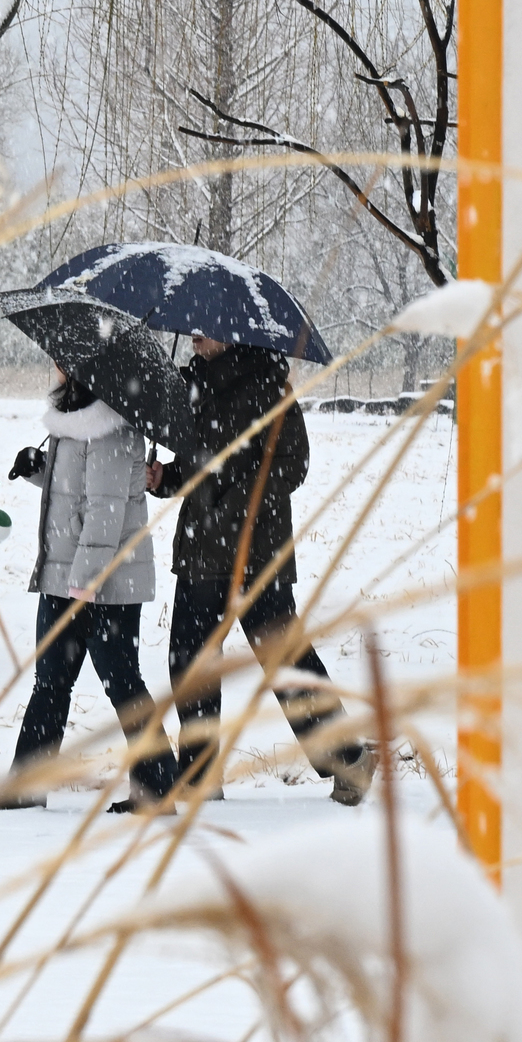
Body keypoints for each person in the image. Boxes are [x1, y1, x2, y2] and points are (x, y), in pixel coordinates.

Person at [148, 333, 374, 805]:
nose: (194, 336)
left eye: (204, 329)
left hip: (256, 551)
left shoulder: (270, 387)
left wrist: (237, 495)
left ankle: (348, 759)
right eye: (192, 328)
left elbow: (294, 464)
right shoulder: (190, 387)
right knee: (190, 662)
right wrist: (165, 477)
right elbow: (194, 468)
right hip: (200, 548)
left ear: (230, 336)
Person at [0, 370, 178, 811]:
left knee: (123, 683)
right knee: (50, 682)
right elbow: (76, 494)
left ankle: (157, 788)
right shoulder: (72, 419)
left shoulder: (111, 425)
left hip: (103, 584)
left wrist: (84, 583)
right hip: (66, 578)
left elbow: (105, 512)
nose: (54, 367)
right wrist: (40, 470)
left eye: (61, 361)